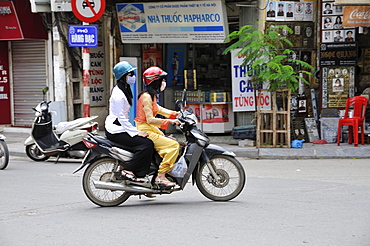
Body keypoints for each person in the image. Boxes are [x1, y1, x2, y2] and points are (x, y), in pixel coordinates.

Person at [105, 61, 154, 183]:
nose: (133, 77)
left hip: (121, 127)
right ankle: (128, 171)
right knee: (146, 145)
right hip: (116, 130)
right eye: (130, 74)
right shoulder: (119, 95)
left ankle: (140, 176)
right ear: (123, 77)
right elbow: (121, 118)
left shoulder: (124, 89)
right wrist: (136, 132)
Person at [135, 66, 181, 187]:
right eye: (162, 80)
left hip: (149, 127)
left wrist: (175, 114)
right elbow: (150, 119)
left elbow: (158, 109)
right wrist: (170, 122)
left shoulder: (151, 95)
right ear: (155, 81)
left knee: (169, 141)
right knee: (173, 146)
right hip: (145, 129)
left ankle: (152, 179)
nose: (163, 82)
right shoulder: (146, 97)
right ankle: (161, 176)